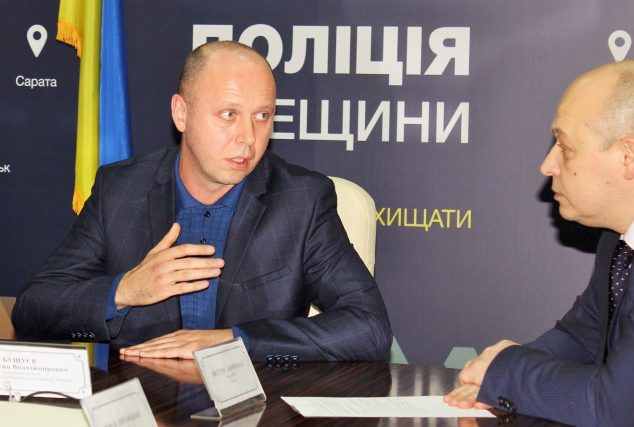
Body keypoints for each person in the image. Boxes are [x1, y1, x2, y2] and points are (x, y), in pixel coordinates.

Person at [12, 41, 392, 362]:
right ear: (181, 113)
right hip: (143, 404)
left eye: (262, 116)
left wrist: (236, 341)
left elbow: (369, 327)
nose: (248, 138)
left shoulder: (301, 200)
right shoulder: (121, 190)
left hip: (258, 408)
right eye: (228, 115)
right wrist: (125, 290)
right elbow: (33, 308)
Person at [445, 60, 634, 426]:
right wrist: (492, 373)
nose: (547, 165)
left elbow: (615, 409)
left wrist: (507, 372)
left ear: (628, 157)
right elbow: (584, 337)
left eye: (564, 146)